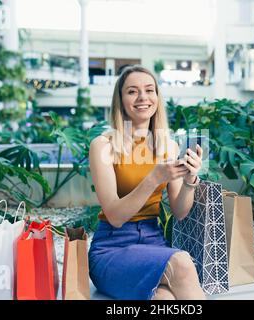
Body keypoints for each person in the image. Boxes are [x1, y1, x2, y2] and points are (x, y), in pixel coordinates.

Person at [88, 65, 206, 300]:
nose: (143, 97)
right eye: (132, 91)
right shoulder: (103, 146)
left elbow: (180, 212)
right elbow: (115, 216)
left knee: (164, 299)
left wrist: (190, 179)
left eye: (149, 90)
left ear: (157, 98)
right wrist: (153, 178)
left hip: (154, 243)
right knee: (181, 262)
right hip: (112, 247)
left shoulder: (169, 147)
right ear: (120, 100)